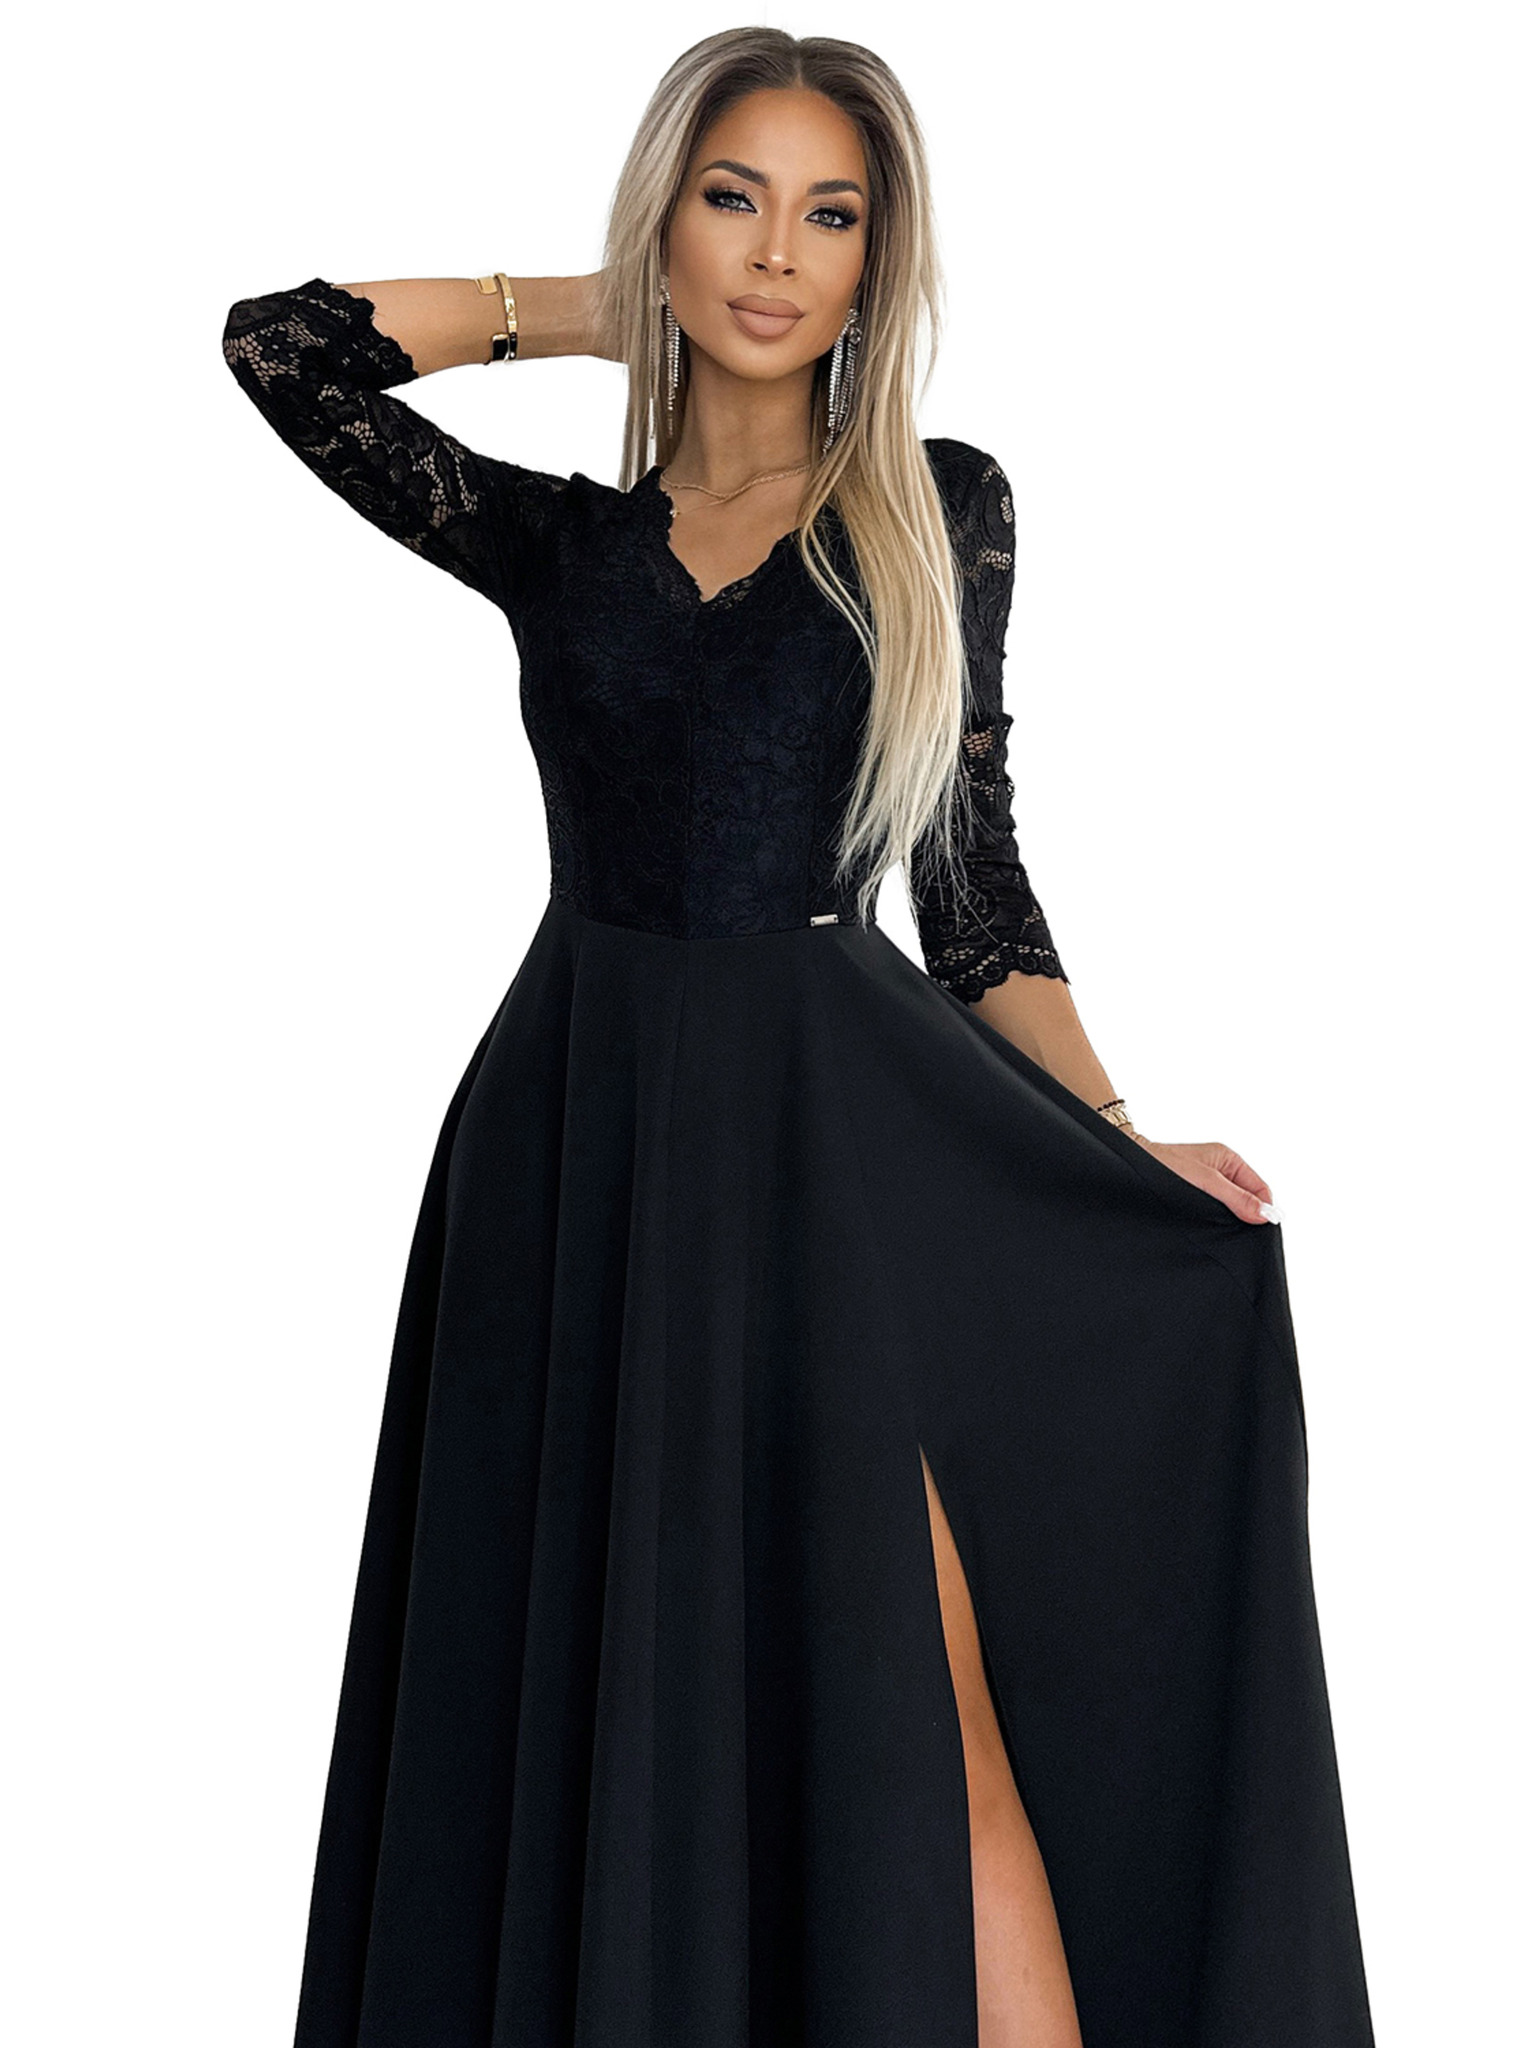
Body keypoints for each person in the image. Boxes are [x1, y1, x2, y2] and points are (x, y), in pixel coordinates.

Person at [221, 26, 1375, 2048]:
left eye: (829, 216)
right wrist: (607, 303)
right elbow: (280, 350)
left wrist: (1115, 1139)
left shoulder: (933, 508)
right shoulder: (556, 542)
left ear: (877, 259)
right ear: (669, 218)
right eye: (732, 201)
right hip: (573, 1150)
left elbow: (973, 883)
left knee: (929, 1708)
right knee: (606, 1706)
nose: (777, 255)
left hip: (836, 1160)